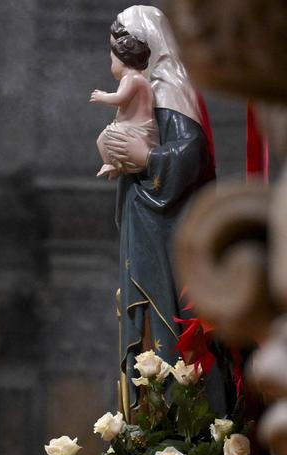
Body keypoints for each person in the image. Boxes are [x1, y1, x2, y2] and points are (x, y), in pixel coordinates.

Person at [99, 6, 218, 413]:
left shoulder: (169, 89)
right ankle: (151, 414)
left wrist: (146, 159)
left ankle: (177, 416)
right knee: (144, 318)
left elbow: (189, 155)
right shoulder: (146, 89)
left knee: (166, 318)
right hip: (145, 219)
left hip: (164, 228)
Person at [91, 32, 157, 179]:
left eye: (112, 61)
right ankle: (114, 164)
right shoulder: (136, 78)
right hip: (128, 125)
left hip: (135, 128)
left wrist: (102, 96)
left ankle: (114, 164)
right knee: (102, 139)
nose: (111, 65)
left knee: (104, 138)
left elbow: (120, 99)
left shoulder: (132, 78)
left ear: (122, 61)